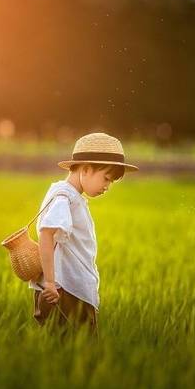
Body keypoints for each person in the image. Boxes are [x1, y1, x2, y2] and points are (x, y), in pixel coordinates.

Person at [29, 131, 139, 341]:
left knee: (63, 349)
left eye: (112, 182)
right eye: (106, 178)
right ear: (86, 169)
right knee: (82, 351)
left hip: (66, 289)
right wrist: (51, 283)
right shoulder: (65, 197)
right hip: (66, 292)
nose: (107, 186)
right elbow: (46, 233)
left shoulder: (67, 195)